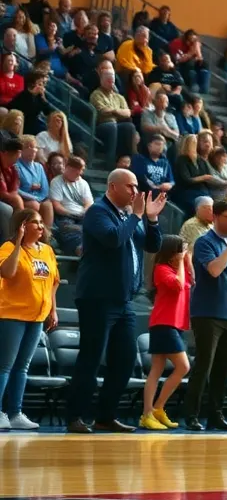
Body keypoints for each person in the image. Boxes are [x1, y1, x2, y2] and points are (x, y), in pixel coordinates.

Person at [65, 171, 166, 433]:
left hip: (123, 300)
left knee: (124, 359)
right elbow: (112, 239)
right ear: (113, 186)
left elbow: (153, 246)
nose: (135, 190)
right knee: (91, 357)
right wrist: (136, 216)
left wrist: (152, 219)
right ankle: (76, 416)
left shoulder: (127, 216)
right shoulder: (98, 211)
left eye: (136, 185)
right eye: (130, 185)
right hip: (97, 298)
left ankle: (105, 415)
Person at [183, 199, 227, 432]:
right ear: (215, 217)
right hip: (207, 313)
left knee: (223, 368)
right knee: (204, 365)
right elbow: (213, 270)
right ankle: (192, 415)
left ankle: (216, 415)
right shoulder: (205, 242)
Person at [0, 209, 58, 431]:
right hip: (11, 315)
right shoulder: (7, 248)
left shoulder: (48, 251)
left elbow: (53, 281)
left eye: (42, 222)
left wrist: (53, 310)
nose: (41, 227)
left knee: (22, 367)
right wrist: (18, 244)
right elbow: (8, 272)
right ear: (22, 226)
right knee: (4, 366)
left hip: (37, 317)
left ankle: (15, 413)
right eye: (35, 223)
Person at [141, 236, 192, 430]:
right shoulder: (162, 269)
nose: (185, 254)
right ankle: (153, 409)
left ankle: (153, 411)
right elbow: (178, 285)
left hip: (175, 324)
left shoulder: (180, 269)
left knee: (157, 369)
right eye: (182, 251)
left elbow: (189, 281)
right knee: (183, 366)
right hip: (163, 323)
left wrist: (186, 262)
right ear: (173, 253)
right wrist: (180, 262)